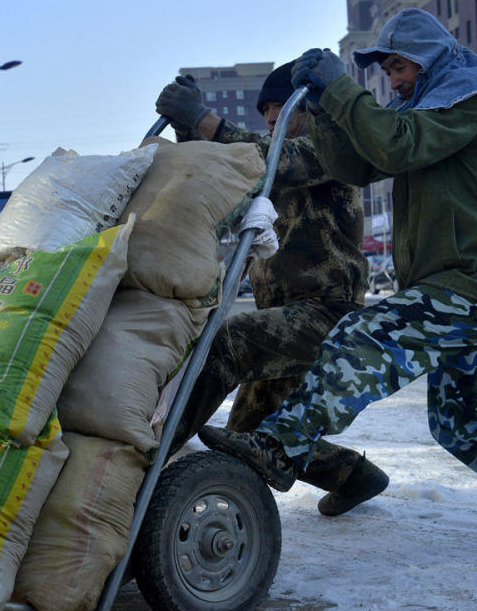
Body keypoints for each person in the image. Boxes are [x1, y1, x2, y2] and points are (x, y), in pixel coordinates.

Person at [199, 9, 477, 526]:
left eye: (398, 67)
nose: (393, 80)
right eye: (386, 72)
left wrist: (341, 90)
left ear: (426, 57)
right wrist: (325, 112)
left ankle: (281, 444)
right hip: (472, 292)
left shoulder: (468, 98)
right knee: (458, 422)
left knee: (365, 336)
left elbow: (395, 143)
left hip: (476, 285)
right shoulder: (425, 106)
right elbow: (362, 165)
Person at [155, 61, 389, 516]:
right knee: (249, 433)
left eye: (280, 106)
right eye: (264, 108)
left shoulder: (329, 149)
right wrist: (189, 132)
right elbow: (233, 178)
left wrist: (205, 119)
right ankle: (355, 476)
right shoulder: (275, 162)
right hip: (282, 315)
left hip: (328, 314)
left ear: (309, 109)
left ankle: (146, 457)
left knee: (230, 339)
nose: (269, 116)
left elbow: (270, 158)